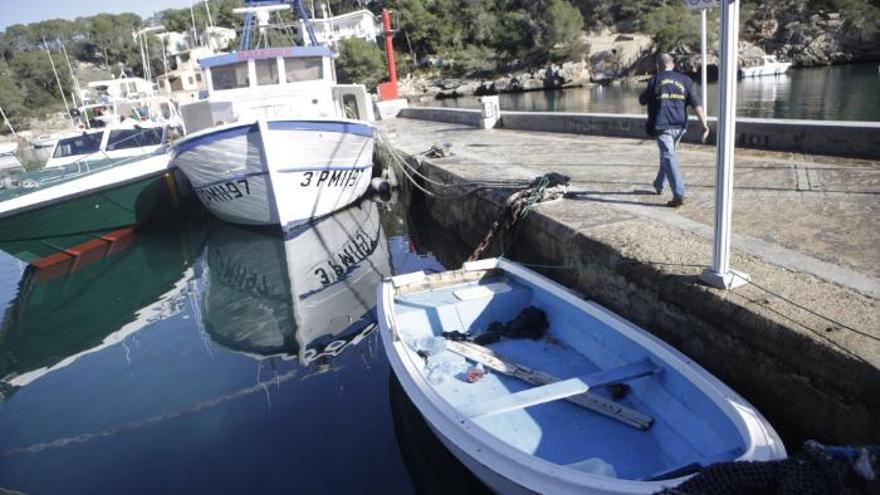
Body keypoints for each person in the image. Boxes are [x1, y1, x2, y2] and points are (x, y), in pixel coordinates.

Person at [639, 53, 710, 208]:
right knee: (668, 156)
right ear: (673, 63)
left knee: (668, 157)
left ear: (658, 65)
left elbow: (642, 100)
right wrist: (703, 122)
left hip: (662, 125)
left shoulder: (655, 79)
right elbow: (696, 103)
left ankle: (679, 194)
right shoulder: (686, 80)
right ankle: (659, 184)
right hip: (679, 127)